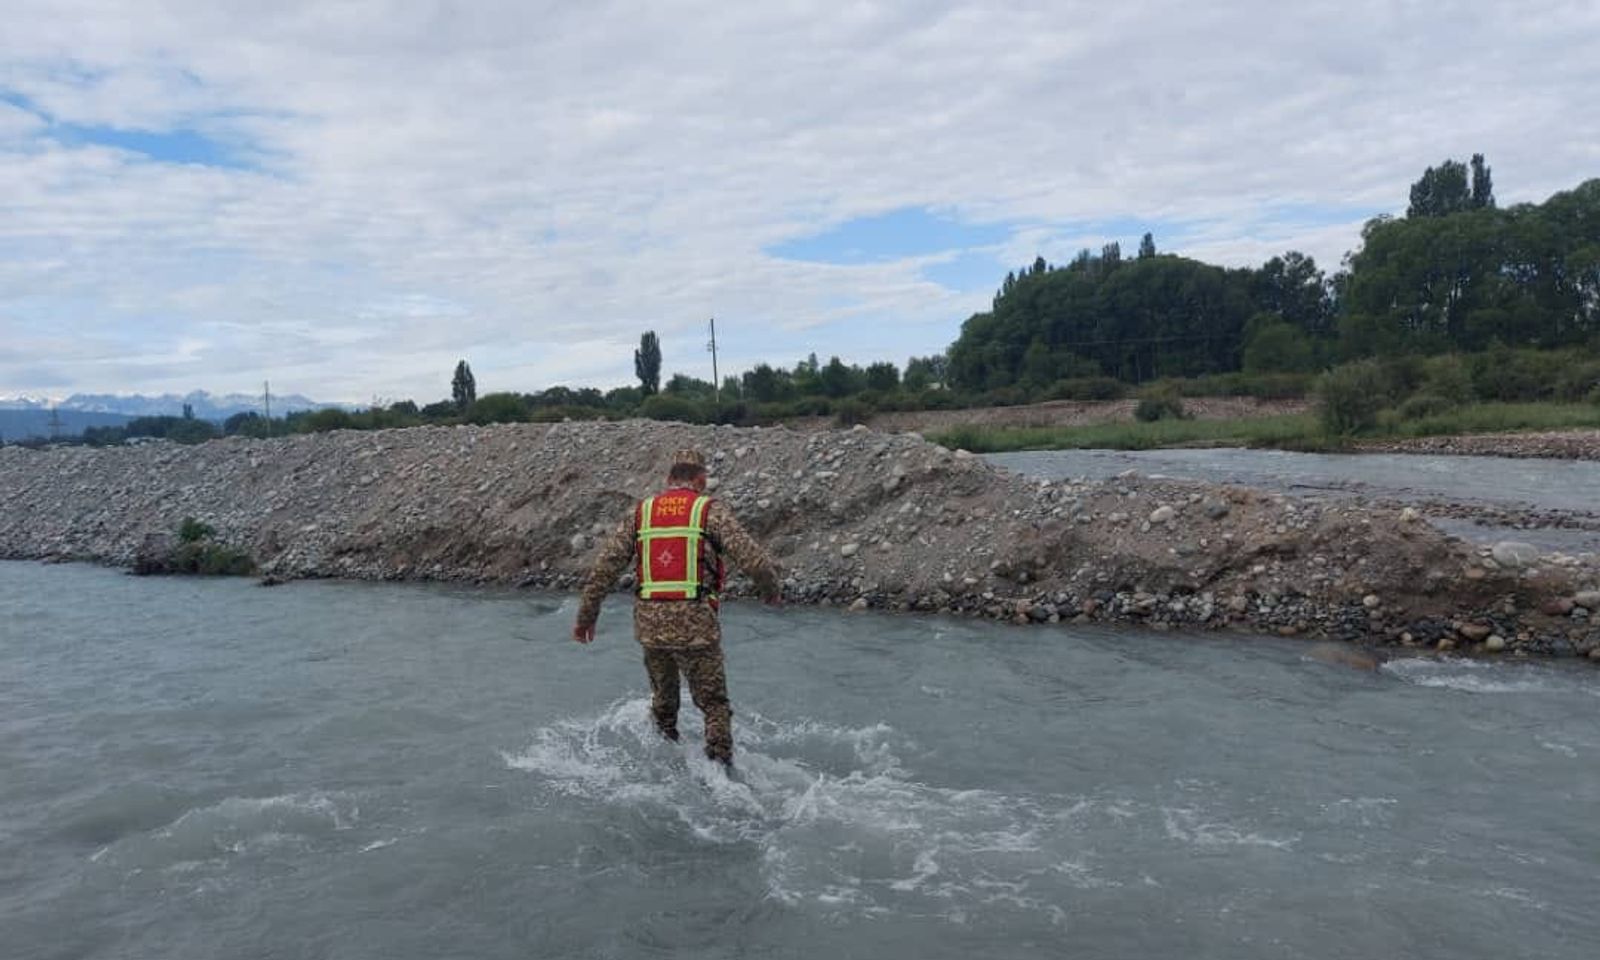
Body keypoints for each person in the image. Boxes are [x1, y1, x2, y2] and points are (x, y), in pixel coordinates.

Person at [572, 448, 781, 770]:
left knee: (664, 703)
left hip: (651, 627)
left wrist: (586, 617)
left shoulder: (641, 513)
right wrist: (771, 591)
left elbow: (604, 568)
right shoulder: (708, 511)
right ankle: (722, 774)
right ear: (700, 479)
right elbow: (754, 560)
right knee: (713, 705)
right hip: (695, 625)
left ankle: (664, 762)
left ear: (669, 479)